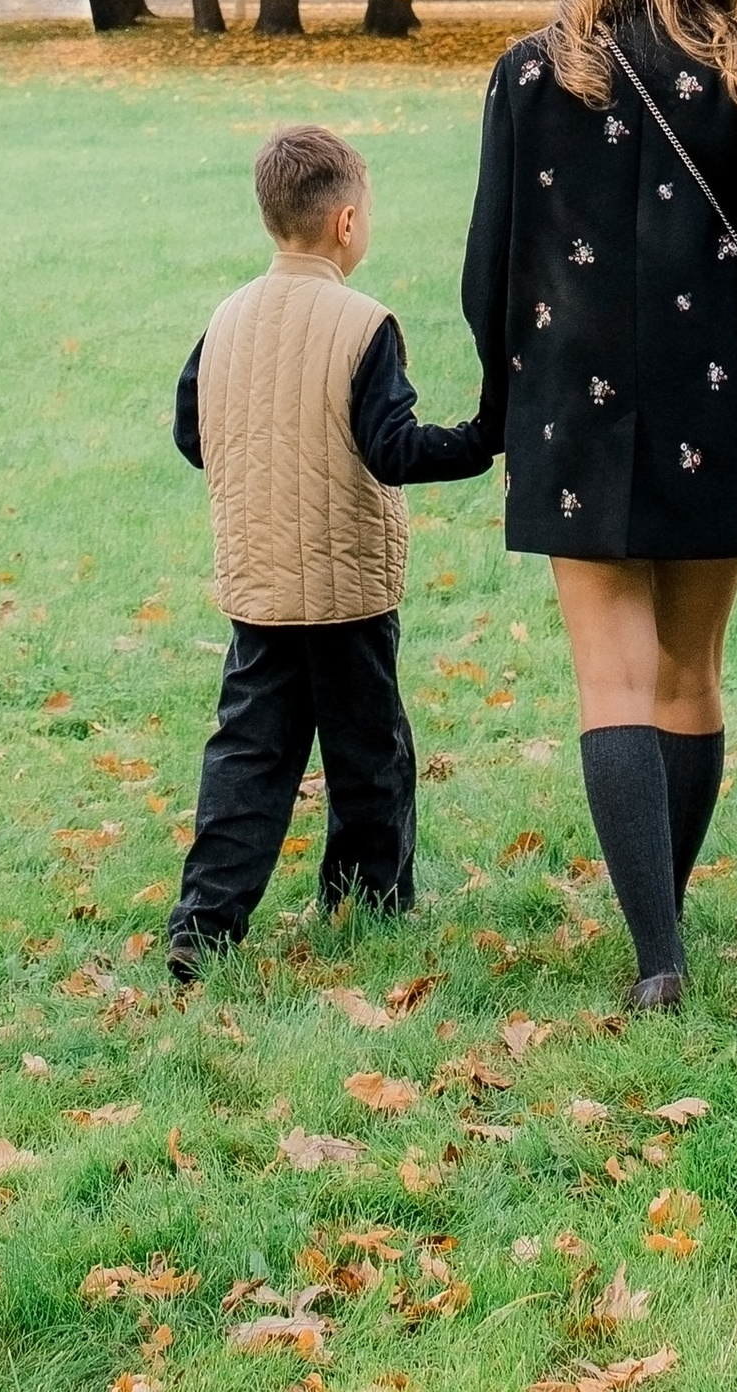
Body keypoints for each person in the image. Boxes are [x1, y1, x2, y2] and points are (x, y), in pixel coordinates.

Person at [461, 0, 737, 1009]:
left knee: (610, 684)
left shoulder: (530, 75)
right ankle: (660, 922)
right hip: (714, 403)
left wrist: (497, 404)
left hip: (572, 406)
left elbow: (489, 266)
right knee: (687, 679)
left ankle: (656, 952)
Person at [167, 122, 493, 980]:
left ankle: (203, 928)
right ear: (346, 222)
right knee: (369, 754)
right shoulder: (363, 324)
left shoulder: (226, 317)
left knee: (248, 757)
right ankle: (369, 899)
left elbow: (191, 432)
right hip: (348, 587)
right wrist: (481, 439)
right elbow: (393, 448)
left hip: (260, 584)